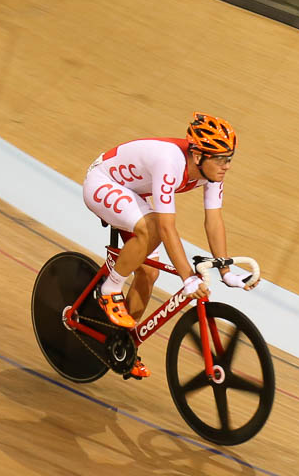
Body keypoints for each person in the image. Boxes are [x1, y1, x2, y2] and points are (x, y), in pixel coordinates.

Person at [81, 114, 254, 378]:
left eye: (229, 158)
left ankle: (121, 345)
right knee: (151, 227)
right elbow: (165, 227)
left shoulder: (212, 171)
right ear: (197, 156)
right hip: (103, 183)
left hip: (132, 192)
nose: (226, 165)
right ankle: (110, 288)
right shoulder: (168, 161)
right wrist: (187, 278)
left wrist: (226, 271)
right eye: (220, 158)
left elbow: (214, 220)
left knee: (149, 273)